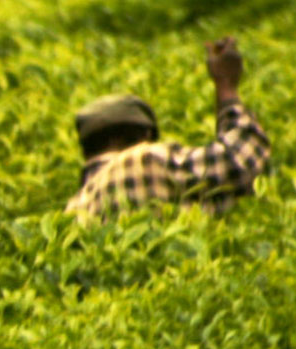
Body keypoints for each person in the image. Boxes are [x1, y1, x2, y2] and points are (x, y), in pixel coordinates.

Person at [66, 37, 272, 222]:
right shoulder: (141, 160)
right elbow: (241, 158)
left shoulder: (76, 208)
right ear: (144, 136)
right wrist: (226, 85)